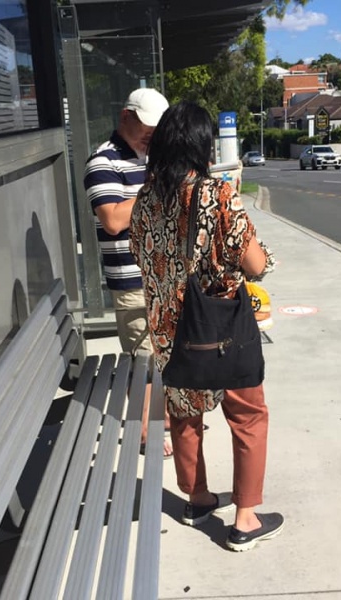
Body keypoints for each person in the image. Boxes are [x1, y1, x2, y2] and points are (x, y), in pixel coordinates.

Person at [129, 101, 283, 552]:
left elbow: (142, 257)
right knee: (248, 415)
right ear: (202, 145)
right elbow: (254, 264)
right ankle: (245, 520)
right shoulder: (217, 195)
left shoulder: (145, 199)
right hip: (220, 331)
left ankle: (196, 500)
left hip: (169, 332)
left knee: (184, 414)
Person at [83, 87, 173, 457]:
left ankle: (163, 418)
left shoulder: (155, 157)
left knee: (164, 351)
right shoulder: (102, 162)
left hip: (164, 274)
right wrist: (159, 189)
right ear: (125, 116)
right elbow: (114, 219)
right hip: (132, 279)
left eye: (156, 128)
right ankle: (146, 432)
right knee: (144, 355)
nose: (151, 134)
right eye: (146, 126)